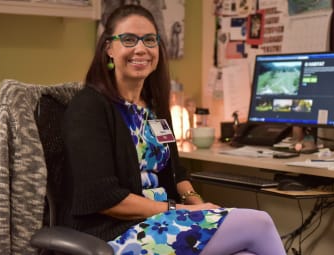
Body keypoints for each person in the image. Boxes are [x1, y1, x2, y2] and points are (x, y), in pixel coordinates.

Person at [60, 4, 286, 255]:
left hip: (163, 221)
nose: (141, 48)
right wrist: (181, 210)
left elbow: (175, 170)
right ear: (109, 48)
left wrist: (200, 204)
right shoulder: (89, 107)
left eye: (149, 40)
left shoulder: (153, 106)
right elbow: (104, 197)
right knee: (260, 224)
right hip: (118, 233)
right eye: (128, 39)